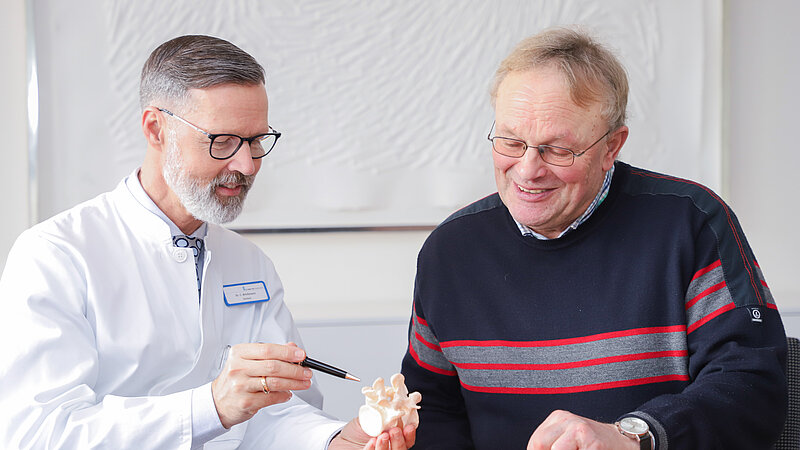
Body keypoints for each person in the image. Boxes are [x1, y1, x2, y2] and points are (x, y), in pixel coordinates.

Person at [0, 35, 415, 450]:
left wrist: (333, 441)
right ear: (155, 128)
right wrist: (211, 406)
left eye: (256, 140)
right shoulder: (56, 255)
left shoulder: (248, 263)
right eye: (223, 141)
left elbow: (274, 411)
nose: (247, 164)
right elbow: (38, 434)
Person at [401, 27, 787, 449]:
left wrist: (635, 435)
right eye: (512, 142)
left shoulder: (690, 223)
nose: (528, 169)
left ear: (611, 147)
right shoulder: (450, 253)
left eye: (557, 150)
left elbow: (753, 386)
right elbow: (431, 409)